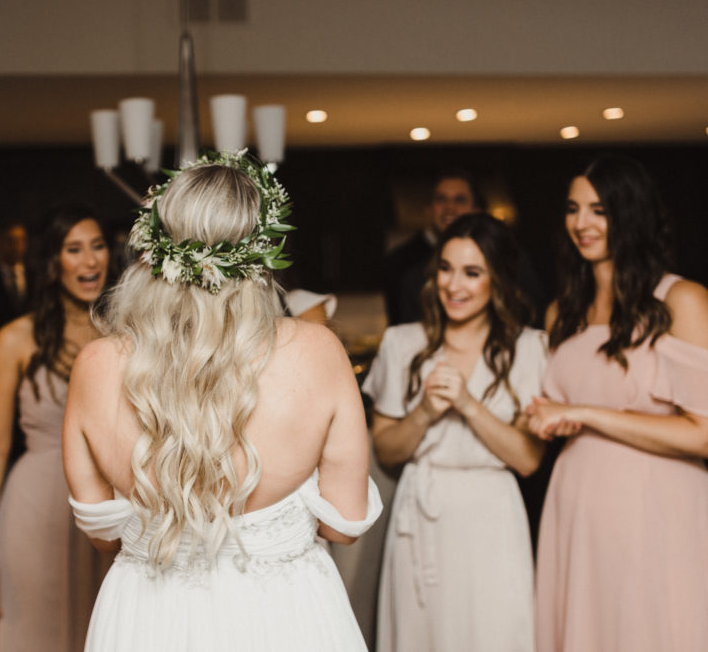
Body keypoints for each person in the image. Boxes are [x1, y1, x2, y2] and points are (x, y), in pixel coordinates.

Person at [62, 152, 382, 651]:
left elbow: (104, 537)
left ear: (153, 248)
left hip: (148, 618)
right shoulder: (317, 351)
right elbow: (344, 524)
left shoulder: (97, 365)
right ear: (263, 250)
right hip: (284, 616)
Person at [528, 155, 708, 652]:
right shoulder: (562, 311)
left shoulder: (682, 300)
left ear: (632, 214)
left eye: (599, 210)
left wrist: (584, 414)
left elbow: (703, 432)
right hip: (576, 501)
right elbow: (559, 405)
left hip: (655, 503)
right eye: (573, 208)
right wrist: (547, 419)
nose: (580, 223)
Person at [364, 212, 546, 652]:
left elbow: (527, 458)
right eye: (445, 269)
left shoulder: (529, 348)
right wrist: (425, 410)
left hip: (492, 517)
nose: (453, 285)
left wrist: (467, 405)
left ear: (497, 279)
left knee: (496, 633)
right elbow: (386, 451)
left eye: (472, 272)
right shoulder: (401, 343)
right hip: (421, 515)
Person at [0, 205, 113, 651]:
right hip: (34, 508)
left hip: (109, 513)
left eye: (98, 247)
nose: (90, 262)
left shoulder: (127, 333)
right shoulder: (15, 339)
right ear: (52, 263)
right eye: (74, 250)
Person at [383, 170, 486, 326]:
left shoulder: (498, 256)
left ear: (476, 211)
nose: (449, 207)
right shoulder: (399, 261)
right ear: (429, 210)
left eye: (459, 200)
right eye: (441, 199)